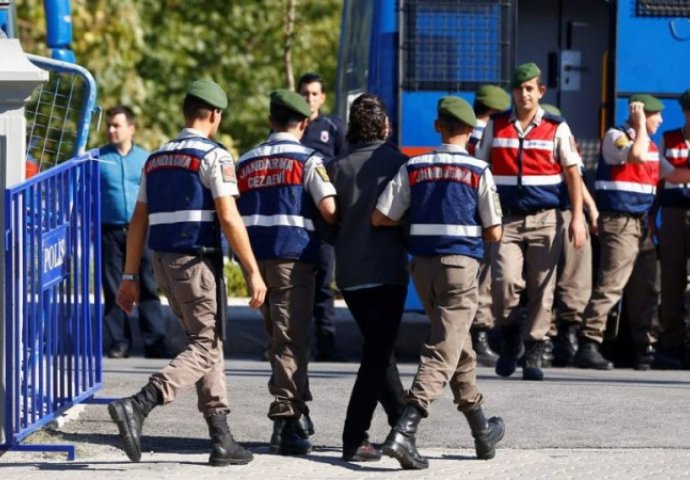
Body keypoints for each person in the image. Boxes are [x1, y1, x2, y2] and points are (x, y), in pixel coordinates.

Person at [108, 79, 266, 467]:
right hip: (195, 263)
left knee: (205, 343)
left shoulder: (156, 158)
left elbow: (138, 220)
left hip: (163, 262)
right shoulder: (214, 155)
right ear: (215, 114)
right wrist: (253, 271)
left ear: (185, 111)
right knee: (205, 346)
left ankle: (221, 437)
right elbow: (229, 217)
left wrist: (129, 277)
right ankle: (140, 404)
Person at [374, 96, 505, 470]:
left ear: (437, 127)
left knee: (456, 344)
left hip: (423, 269)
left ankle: (481, 429)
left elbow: (381, 217)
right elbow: (495, 231)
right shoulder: (478, 170)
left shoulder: (414, 167)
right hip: (460, 269)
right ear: (471, 131)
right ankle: (406, 429)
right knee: (442, 349)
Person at [236, 89, 338, 455]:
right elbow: (329, 210)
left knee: (278, 338)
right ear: (305, 123)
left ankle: (297, 410)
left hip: (255, 261)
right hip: (292, 261)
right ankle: (286, 421)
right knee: (291, 340)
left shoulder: (245, 161)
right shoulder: (309, 159)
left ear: (270, 120)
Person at [475, 62, 586, 381]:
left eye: (529, 88)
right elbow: (480, 169)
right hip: (506, 220)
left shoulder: (556, 127)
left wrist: (577, 218)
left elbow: (573, 174)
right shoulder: (497, 125)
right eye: (519, 88)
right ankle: (511, 340)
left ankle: (534, 350)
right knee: (504, 282)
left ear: (541, 92)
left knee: (542, 286)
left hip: (546, 219)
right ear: (512, 91)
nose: (524, 94)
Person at [326, 94, 408, 462]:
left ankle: (401, 423)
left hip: (350, 274)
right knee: (376, 355)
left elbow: (326, 222)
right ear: (385, 125)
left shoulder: (335, 167)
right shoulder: (399, 164)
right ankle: (354, 436)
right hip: (388, 271)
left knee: (380, 351)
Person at [575, 95, 666, 370]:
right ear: (641, 114)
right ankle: (589, 342)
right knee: (612, 283)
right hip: (620, 222)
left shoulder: (650, 144)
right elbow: (636, 156)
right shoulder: (616, 137)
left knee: (647, 286)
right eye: (655, 115)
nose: (661, 120)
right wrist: (638, 125)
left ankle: (646, 348)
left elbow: (664, 176)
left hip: (641, 223)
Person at [99, 106, 167, 359]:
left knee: (148, 285)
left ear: (131, 128)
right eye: (109, 125)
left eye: (116, 125)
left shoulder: (146, 159)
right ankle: (119, 342)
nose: (111, 130)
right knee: (114, 287)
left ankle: (155, 342)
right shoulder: (98, 159)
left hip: (143, 231)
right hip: (110, 232)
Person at [540, 104, 598, 367]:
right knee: (552, 279)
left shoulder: (560, 138)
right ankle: (551, 338)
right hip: (553, 213)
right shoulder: (547, 140)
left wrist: (589, 208)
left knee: (573, 278)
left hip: (566, 212)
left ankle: (565, 336)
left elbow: (575, 178)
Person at [297, 72, 347, 361]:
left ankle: (326, 344)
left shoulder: (333, 127)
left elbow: (344, 167)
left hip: (324, 217)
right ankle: (291, 344)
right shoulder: (292, 127)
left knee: (324, 284)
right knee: (295, 283)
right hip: (297, 219)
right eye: (305, 93)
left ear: (323, 97)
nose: (310, 98)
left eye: (315, 94)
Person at [468, 84, 511, 366]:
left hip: (469, 211)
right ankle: (480, 335)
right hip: (485, 211)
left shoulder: (466, 131)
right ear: (495, 111)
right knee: (483, 275)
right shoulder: (488, 134)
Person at [657, 88, 690, 369]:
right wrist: (651, 216)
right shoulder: (668, 139)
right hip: (673, 215)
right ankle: (671, 344)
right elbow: (663, 176)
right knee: (671, 280)